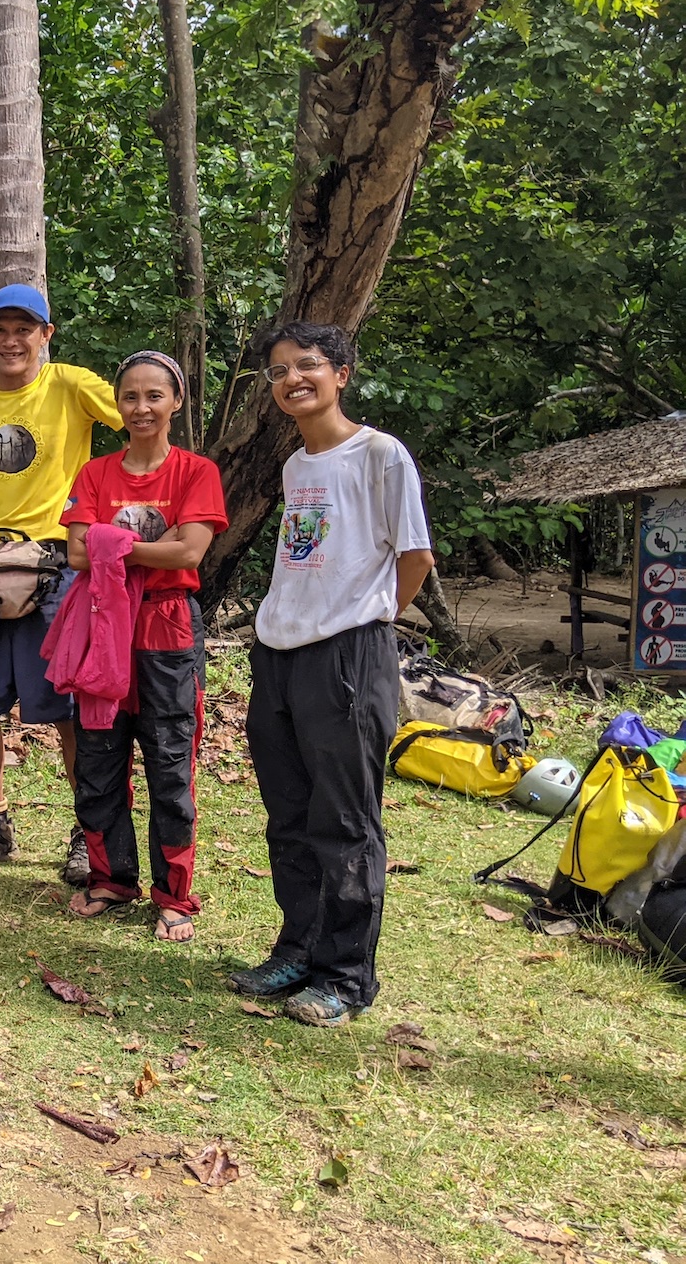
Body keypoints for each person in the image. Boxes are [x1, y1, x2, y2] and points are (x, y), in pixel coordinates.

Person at [234, 322, 434, 1027]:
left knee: (345, 821)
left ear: (342, 373)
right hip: (280, 656)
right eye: (279, 371)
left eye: (308, 366)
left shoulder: (381, 455)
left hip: (348, 656)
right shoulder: (296, 467)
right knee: (289, 816)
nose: (293, 379)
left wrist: (367, 616)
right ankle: (298, 950)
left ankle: (345, 977)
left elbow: (413, 558)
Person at [0, 283, 121, 867]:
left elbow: (144, 418)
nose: (11, 340)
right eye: (0, 330)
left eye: (25, 329)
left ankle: (85, 835)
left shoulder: (69, 384)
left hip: (56, 563)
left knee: (64, 706)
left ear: (46, 335)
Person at [59, 351, 226, 942]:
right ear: (118, 406)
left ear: (175, 402)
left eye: (155, 396)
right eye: (130, 396)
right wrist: (130, 546)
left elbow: (188, 553)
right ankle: (111, 878)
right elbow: (77, 554)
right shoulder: (96, 473)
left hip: (167, 627)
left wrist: (110, 540)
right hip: (103, 628)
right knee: (100, 761)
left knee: (169, 764)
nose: (141, 407)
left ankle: (173, 894)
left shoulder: (195, 472)